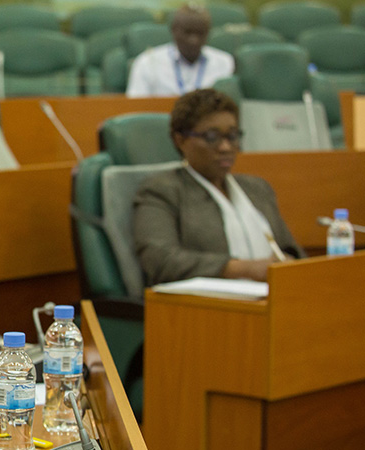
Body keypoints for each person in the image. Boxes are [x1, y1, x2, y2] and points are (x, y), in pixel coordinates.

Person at [132, 89, 304, 286]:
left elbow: (290, 250)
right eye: (212, 137)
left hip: (276, 298)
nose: (225, 147)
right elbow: (160, 260)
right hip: (205, 307)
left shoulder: (257, 188)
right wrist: (242, 268)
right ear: (180, 140)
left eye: (232, 136)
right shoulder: (161, 191)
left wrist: (287, 263)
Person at [126, 4, 234, 98]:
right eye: (188, 32)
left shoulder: (224, 63)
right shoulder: (148, 62)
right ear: (173, 30)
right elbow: (135, 109)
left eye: (200, 33)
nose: (194, 40)